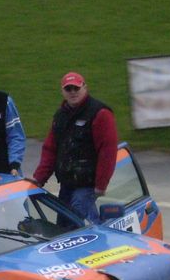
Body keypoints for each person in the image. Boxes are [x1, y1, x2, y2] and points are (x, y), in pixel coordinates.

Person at [30, 71, 118, 223]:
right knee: (63, 226)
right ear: (62, 91)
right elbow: (50, 149)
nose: (72, 92)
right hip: (66, 185)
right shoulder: (60, 116)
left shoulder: (100, 113)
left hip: (87, 186)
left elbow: (107, 152)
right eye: (68, 89)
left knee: (77, 226)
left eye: (76, 88)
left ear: (85, 88)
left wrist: (101, 185)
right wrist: (39, 178)